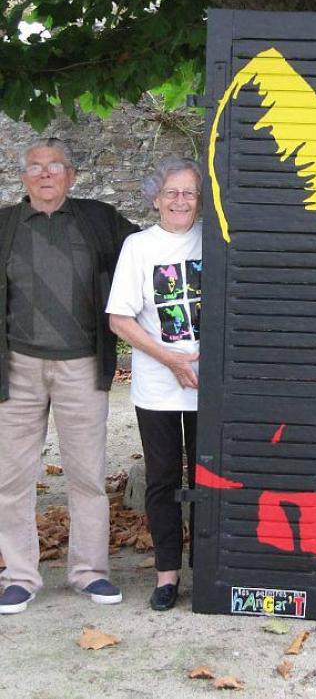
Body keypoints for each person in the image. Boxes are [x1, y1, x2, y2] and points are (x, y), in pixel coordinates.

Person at [0, 138, 138, 614]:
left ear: (71, 176)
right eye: (35, 167)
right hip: (17, 366)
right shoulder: (4, 226)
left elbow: (150, 255)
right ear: (23, 177)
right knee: (11, 478)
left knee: (87, 475)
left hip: (82, 364)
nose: (44, 174)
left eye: (54, 167)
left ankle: (89, 572)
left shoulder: (99, 220)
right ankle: (20, 576)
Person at [107, 156, 202, 611]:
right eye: (171, 193)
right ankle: (167, 575)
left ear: (200, 199)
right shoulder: (139, 247)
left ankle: (208, 568)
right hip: (157, 387)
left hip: (210, 387)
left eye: (188, 192)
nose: (179, 201)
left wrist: (201, 361)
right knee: (163, 481)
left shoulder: (216, 241)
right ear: (155, 199)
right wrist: (171, 360)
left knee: (210, 478)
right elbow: (119, 320)